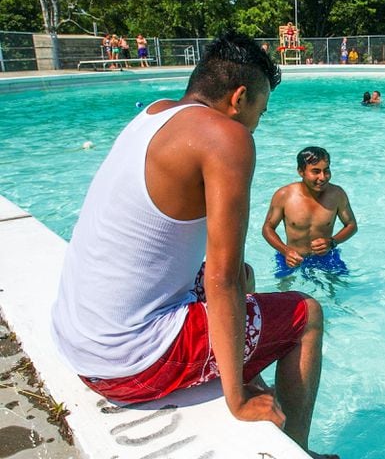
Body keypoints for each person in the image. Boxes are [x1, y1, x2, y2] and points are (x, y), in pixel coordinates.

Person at [51, 32, 337, 459]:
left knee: (247, 276)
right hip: (127, 365)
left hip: (78, 342)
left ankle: (247, 377)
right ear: (239, 98)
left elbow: (232, 274)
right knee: (306, 314)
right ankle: (297, 450)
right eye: (261, 110)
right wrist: (237, 398)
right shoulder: (226, 136)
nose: (258, 122)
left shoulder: (153, 115)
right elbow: (220, 281)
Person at [262, 146, 358, 280]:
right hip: (291, 257)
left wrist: (332, 242)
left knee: (342, 292)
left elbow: (351, 225)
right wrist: (285, 251)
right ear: (301, 171)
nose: (323, 177)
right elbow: (268, 227)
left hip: (326, 256)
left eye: (326, 170)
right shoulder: (284, 195)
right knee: (284, 294)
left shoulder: (337, 194)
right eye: (316, 171)